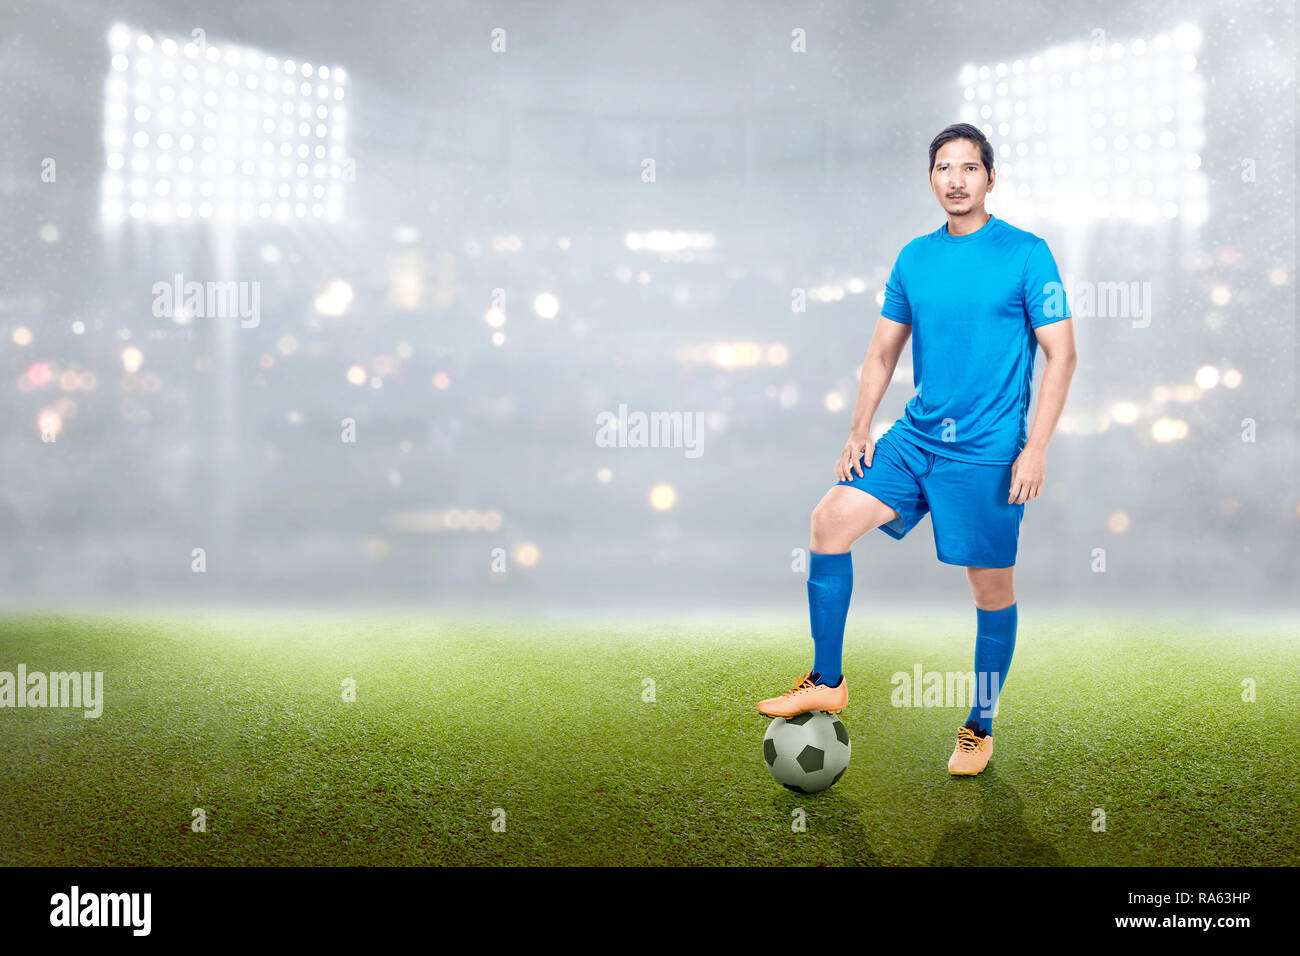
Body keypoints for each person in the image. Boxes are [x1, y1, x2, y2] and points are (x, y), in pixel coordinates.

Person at [756, 123, 1077, 776]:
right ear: (931, 179)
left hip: (987, 454)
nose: (955, 179)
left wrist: (1036, 448)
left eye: (968, 168)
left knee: (990, 592)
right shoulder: (913, 258)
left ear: (990, 178)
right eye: (942, 168)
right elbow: (882, 350)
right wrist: (859, 428)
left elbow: (1062, 354)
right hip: (915, 439)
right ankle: (827, 678)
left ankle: (978, 726)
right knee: (828, 522)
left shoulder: (1027, 254)